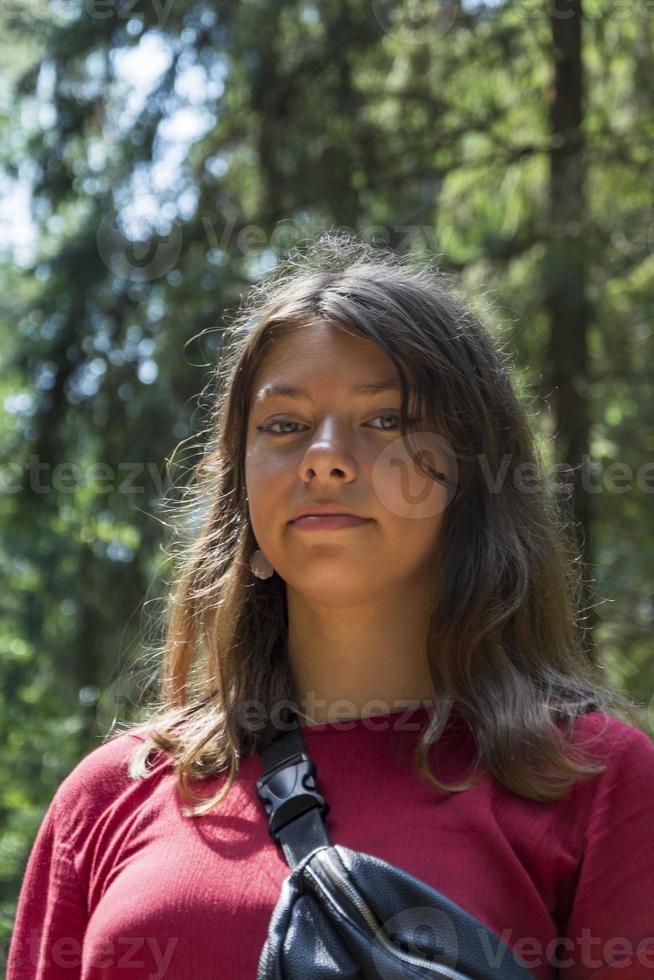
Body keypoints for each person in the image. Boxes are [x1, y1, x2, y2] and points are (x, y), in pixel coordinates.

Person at [7, 233, 654, 980]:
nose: (324, 454)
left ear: (470, 484)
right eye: (283, 425)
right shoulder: (107, 799)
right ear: (243, 501)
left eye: (386, 420)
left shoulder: (594, 782)